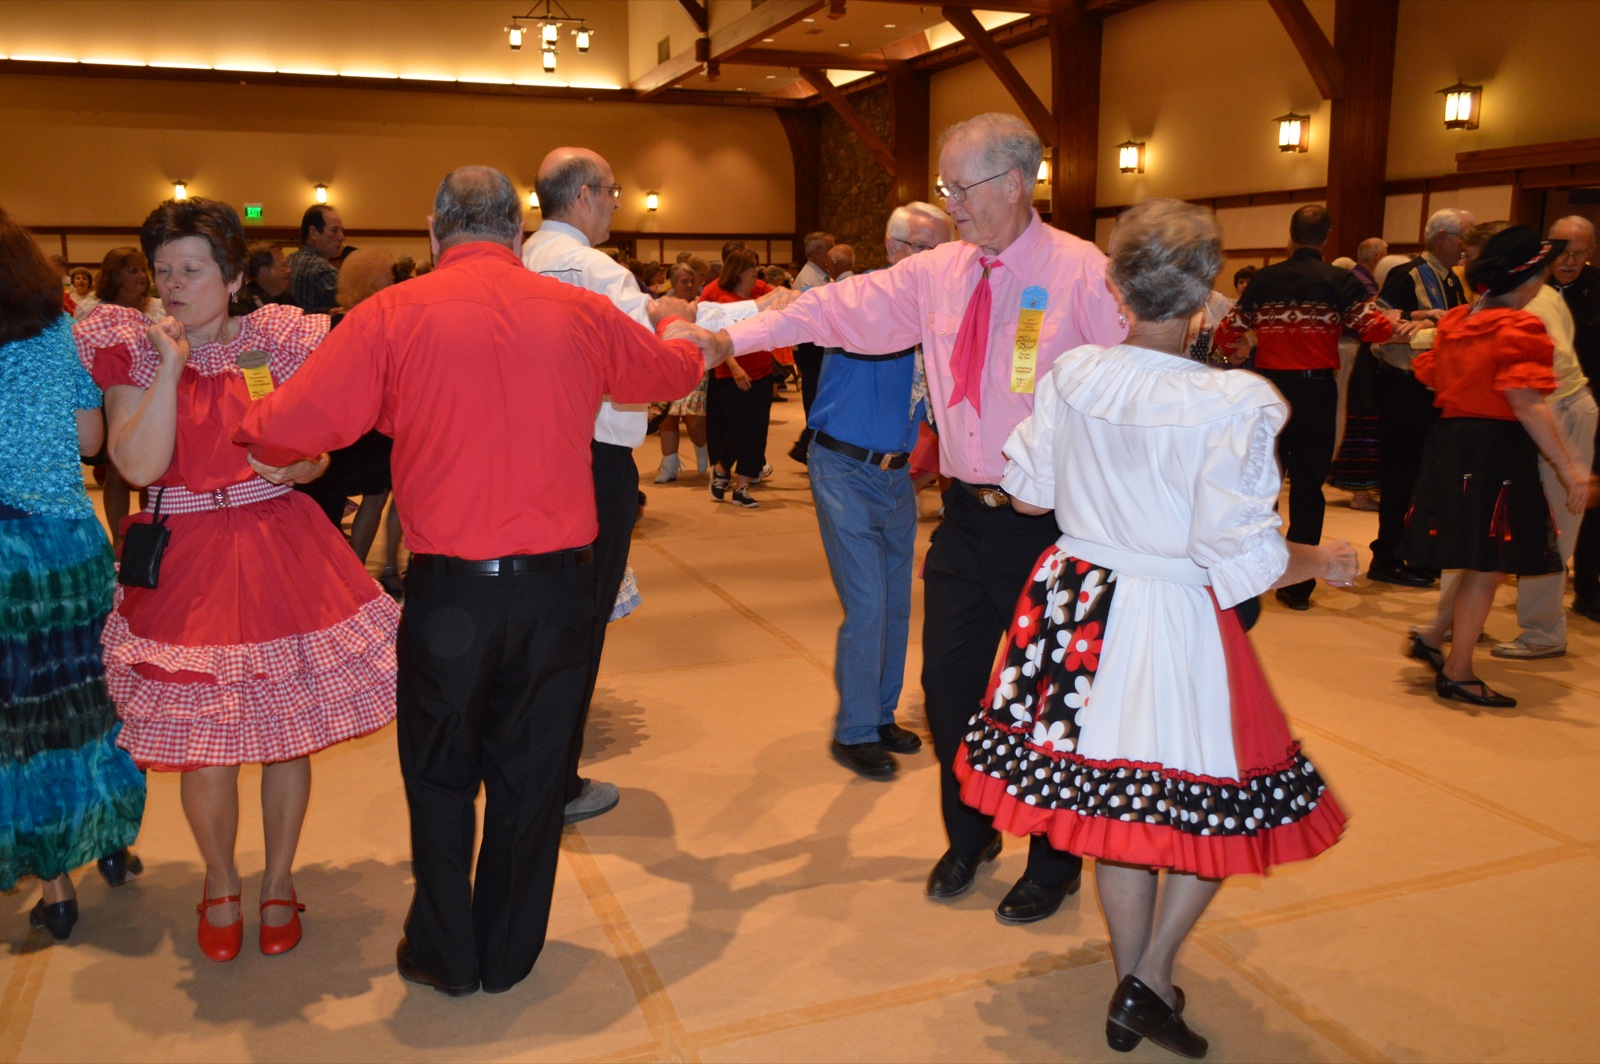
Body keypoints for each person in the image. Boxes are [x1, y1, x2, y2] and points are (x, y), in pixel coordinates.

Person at [235, 164, 717, 998]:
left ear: (434, 230)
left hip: (452, 595)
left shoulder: (391, 315)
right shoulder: (581, 313)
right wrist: (682, 329)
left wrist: (249, 413)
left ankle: (445, 951)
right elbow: (668, 376)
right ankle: (508, 951)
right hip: (559, 593)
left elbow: (285, 430)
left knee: (439, 774)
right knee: (532, 779)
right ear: (516, 232)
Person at [957, 198, 1352, 1058]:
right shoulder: (1231, 401)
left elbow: (1029, 495)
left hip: (1075, 603)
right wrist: (1323, 559)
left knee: (1119, 804)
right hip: (1167, 614)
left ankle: (1138, 984)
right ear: (1208, 293)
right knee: (1213, 802)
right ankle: (1148, 977)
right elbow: (1239, 558)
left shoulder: (1075, 373)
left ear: (1116, 287)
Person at [710, 112, 1126, 925]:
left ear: (1014, 182)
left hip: (1057, 526)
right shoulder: (940, 271)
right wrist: (733, 338)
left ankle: (1055, 859)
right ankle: (970, 832)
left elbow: (1135, 392)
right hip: (966, 518)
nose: (951, 204)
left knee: (1050, 699)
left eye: (958, 187)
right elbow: (834, 310)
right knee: (947, 688)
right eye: (944, 188)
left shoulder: (1084, 274)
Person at [75, 196, 399, 963]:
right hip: (185, 554)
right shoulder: (135, 346)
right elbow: (139, 464)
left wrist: (301, 463)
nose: (175, 284)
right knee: (204, 745)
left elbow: (312, 453)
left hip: (277, 540)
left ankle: (279, 880)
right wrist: (174, 366)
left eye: (192, 269)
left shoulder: (270, 346)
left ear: (230, 276)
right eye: (163, 271)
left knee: (286, 738)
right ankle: (221, 883)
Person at [521, 146, 782, 824]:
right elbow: (659, 353)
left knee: (541, 622)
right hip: (592, 457)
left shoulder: (525, 258)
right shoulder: (593, 269)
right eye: (610, 191)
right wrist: (719, 323)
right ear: (582, 195)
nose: (616, 203)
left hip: (536, 454)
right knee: (578, 627)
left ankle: (529, 764)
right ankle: (556, 780)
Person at [0, 208, 146, 943]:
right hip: (70, 543)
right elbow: (93, 442)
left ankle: (57, 885)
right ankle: (115, 841)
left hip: (4, 557)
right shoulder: (58, 334)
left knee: (22, 722)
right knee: (93, 695)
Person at [1401, 226, 1596, 708]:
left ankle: (1438, 639)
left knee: (1475, 559)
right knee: (1487, 566)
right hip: (1495, 448)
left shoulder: (1459, 320)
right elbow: (1527, 401)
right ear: (1530, 276)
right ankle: (1459, 670)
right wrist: (1571, 467)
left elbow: (1434, 375)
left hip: (1452, 444)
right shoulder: (1520, 325)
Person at [810, 202, 954, 781]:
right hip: (844, 468)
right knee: (868, 603)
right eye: (922, 249)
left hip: (898, 475)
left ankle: (881, 714)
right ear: (894, 248)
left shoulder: (937, 312)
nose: (933, 262)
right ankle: (854, 730)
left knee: (897, 602)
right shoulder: (861, 299)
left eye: (942, 251)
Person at [1212, 205, 1401, 611]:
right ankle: (1297, 587)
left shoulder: (1265, 279)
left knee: (1261, 483)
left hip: (1267, 391)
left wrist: (1233, 357)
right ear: (1327, 236)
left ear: (1291, 235)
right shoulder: (1339, 280)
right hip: (1316, 391)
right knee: (1309, 487)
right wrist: (1403, 321)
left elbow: (1228, 332)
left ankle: (1255, 568)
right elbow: (1376, 329)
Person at [1369, 208, 1475, 587]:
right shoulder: (1408, 273)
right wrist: (1425, 317)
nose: (1466, 246)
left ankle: (1416, 554)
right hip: (1402, 384)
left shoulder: (1452, 280)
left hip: (1433, 387)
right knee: (1401, 474)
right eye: (1464, 237)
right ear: (1441, 237)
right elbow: (1377, 324)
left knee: (1424, 476)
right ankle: (1387, 557)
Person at [294, 247, 400, 565]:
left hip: (333, 431)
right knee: (376, 495)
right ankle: (354, 570)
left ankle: (333, 574)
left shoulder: (328, 321)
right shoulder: (377, 325)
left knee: (332, 502)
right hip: (367, 429)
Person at [74, 247, 165, 552]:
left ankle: (147, 530)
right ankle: (119, 538)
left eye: (142, 269)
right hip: (107, 392)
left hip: (151, 392)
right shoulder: (91, 309)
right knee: (116, 466)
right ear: (114, 276)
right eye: (132, 270)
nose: (141, 276)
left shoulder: (158, 308)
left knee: (151, 467)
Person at [1548, 216, 1600, 621]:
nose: (1569, 260)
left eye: (1578, 253)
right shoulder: (1530, 288)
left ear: (1591, 251)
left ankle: (1587, 587)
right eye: (1561, 251)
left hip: (1588, 409)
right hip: (1536, 409)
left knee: (1590, 501)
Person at [704, 248, 776, 509]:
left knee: (757, 431)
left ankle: (742, 487)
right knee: (738, 427)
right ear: (739, 271)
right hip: (731, 373)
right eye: (752, 266)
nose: (756, 270)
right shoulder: (725, 299)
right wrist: (734, 368)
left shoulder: (761, 295)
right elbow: (717, 338)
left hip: (762, 371)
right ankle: (722, 467)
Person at [654, 265, 710, 482]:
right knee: (667, 418)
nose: (689, 285)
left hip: (697, 366)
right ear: (673, 283)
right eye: (684, 281)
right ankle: (669, 466)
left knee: (694, 418)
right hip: (666, 367)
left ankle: (704, 454)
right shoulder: (660, 305)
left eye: (691, 281)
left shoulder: (702, 305)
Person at [788, 230, 834, 464]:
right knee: (815, 397)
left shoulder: (821, 275)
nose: (832, 253)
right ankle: (807, 446)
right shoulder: (809, 279)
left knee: (819, 396)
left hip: (817, 344)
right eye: (829, 248)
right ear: (817, 251)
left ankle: (805, 445)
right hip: (811, 346)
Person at [285, 204, 345, 313]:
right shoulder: (321, 268)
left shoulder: (288, 260)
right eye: (334, 230)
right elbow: (356, 303)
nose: (341, 237)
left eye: (341, 230)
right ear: (314, 232)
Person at [236, 241, 292, 312]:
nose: (288, 270)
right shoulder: (244, 303)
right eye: (283, 265)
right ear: (264, 271)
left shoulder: (285, 298)